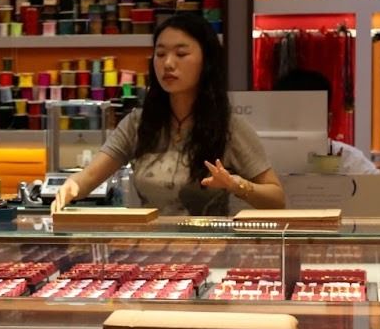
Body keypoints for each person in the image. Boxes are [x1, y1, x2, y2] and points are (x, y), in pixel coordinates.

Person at [53, 13, 285, 215]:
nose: (168, 63)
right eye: (160, 54)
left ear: (206, 61)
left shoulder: (229, 127)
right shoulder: (137, 123)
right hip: (149, 247)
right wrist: (70, 187)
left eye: (181, 54)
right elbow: (89, 177)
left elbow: (277, 199)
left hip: (210, 248)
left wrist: (237, 185)